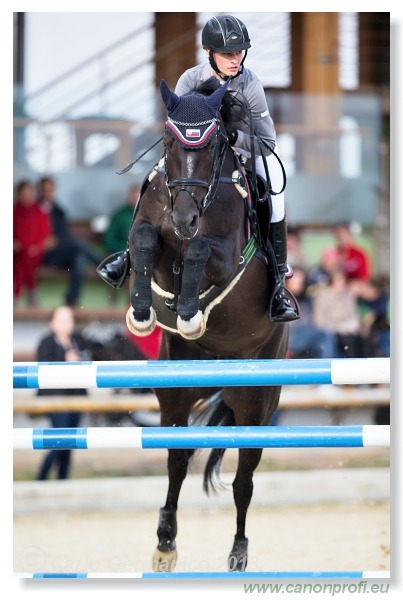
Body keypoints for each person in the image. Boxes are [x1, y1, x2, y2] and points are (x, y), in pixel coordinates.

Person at [97, 15, 299, 322]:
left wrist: (234, 138)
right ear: (209, 52)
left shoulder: (250, 85)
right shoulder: (189, 80)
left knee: (277, 198)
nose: (236, 59)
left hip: (241, 154)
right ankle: (128, 255)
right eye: (228, 53)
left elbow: (268, 140)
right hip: (196, 159)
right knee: (153, 176)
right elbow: (180, 129)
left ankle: (278, 281)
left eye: (240, 52)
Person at [36, 305, 92, 480]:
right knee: (60, 439)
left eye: (69, 319)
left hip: (77, 397)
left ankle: (63, 479)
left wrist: (81, 359)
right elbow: (42, 367)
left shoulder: (78, 339)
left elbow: (90, 358)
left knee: (71, 442)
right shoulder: (46, 341)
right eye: (61, 319)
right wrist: (65, 360)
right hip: (55, 398)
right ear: (52, 323)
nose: (66, 323)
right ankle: (41, 478)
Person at [38, 176, 104, 306]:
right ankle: (104, 266)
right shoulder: (34, 209)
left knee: (79, 259)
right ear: (40, 191)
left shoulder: (58, 210)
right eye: (46, 190)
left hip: (61, 251)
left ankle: (71, 302)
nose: (49, 193)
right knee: (78, 245)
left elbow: (65, 235)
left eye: (51, 190)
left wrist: (58, 240)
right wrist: (43, 242)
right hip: (45, 255)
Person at [13, 180, 54, 306]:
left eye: (30, 194)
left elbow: (46, 235)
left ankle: (17, 294)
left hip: (37, 252)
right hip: (18, 252)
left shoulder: (40, 211)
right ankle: (32, 291)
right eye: (24, 194)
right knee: (23, 258)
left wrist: (35, 247)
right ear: (19, 195)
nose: (27, 197)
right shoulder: (13, 212)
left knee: (24, 260)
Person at [102, 184, 140, 256]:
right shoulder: (120, 216)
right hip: (124, 254)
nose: (137, 201)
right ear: (129, 197)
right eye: (134, 198)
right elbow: (109, 241)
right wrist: (127, 249)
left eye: (139, 198)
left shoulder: (151, 215)